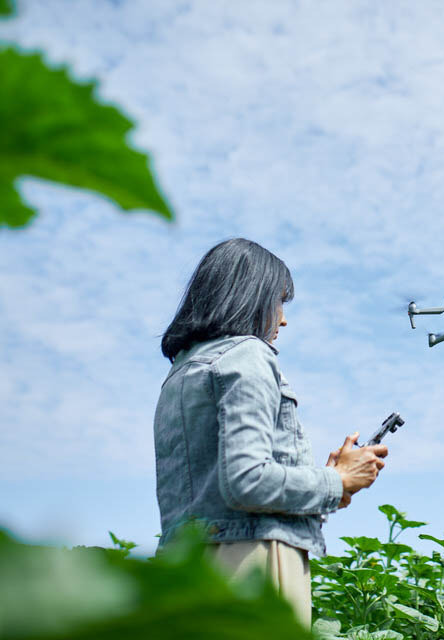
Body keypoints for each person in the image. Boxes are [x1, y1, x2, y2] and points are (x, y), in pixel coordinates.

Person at [153, 238, 387, 626]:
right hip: (250, 563)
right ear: (248, 298)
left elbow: (214, 492)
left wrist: (328, 485)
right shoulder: (247, 355)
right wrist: (337, 479)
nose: (282, 319)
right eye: (278, 301)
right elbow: (246, 482)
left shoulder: (180, 373)